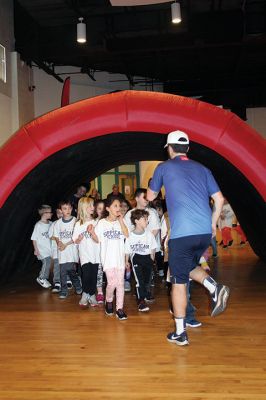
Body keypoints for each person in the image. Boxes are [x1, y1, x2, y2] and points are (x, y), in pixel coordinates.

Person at [147, 130, 229, 346]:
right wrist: (212, 223)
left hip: (182, 234)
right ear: (188, 148)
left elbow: (150, 196)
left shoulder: (163, 167)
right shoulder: (203, 169)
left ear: (169, 148)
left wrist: (156, 187)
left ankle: (180, 333)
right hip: (204, 233)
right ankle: (213, 287)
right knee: (189, 266)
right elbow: (219, 199)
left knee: (178, 282)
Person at [89, 196, 129, 321]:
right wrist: (92, 233)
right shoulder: (102, 223)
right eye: (115, 206)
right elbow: (97, 240)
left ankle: (120, 308)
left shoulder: (121, 222)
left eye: (120, 206)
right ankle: (109, 301)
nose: (119, 208)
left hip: (119, 259)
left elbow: (127, 235)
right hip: (108, 260)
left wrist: (121, 221)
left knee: (121, 283)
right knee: (112, 283)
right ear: (108, 208)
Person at [124, 188, 160, 301]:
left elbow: (155, 229)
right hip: (136, 249)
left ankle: (146, 292)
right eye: (144, 197)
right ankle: (141, 292)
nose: (146, 199)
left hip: (148, 248)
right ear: (137, 198)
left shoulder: (152, 212)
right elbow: (126, 231)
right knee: (138, 274)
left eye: (147, 197)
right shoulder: (130, 214)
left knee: (148, 275)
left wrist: (146, 240)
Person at [125, 209, 157, 312]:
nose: (147, 221)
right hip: (137, 258)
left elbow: (153, 247)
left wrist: (152, 258)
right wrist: (126, 261)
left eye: (147, 219)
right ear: (136, 221)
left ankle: (146, 294)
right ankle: (141, 301)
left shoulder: (149, 234)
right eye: (145, 219)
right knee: (139, 281)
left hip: (147, 258)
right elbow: (127, 249)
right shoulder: (130, 235)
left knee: (147, 280)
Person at [72, 197, 100, 307]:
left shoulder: (96, 222)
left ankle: (92, 294)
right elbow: (75, 240)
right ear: (83, 208)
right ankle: (85, 294)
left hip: (96, 254)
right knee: (86, 275)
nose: (93, 207)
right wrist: (79, 238)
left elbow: (98, 239)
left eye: (93, 205)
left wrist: (93, 233)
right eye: (90, 206)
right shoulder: (79, 224)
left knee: (93, 275)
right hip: (84, 254)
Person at [53, 200, 82, 299]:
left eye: (69, 208)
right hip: (62, 252)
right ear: (60, 210)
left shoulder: (75, 221)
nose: (67, 210)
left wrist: (66, 244)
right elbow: (56, 236)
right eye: (65, 208)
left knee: (70, 270)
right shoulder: (58, 223)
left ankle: (77, 284)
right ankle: (64, 290)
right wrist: (59, 243)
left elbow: (76, 237)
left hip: (72, 251)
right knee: (62, 272)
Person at [31, 205, 53, 289]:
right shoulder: (38, 225)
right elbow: (34, 238)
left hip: (49, 249)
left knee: (49, 264)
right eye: (50, 212)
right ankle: (41, 278)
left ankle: (45, 278)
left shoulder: (51, 224)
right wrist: (36, 249)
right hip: (42, 250)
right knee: (47, 261)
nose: (51, 214)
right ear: (44, 213)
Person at [93, 200, 105, 303]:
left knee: (110, 273)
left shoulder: (108, 221)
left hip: (108, 252)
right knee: (99, 273)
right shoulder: (94, 222)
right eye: (99, 208)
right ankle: (100, 292)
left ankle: (111, 290)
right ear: (95, 210)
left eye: (103, 208)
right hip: (98, 252)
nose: (101, 210)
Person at [120, 199, 132, 292]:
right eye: (121, 205)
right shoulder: (115, 218)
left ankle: (127, 280)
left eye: (125, 206)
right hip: (118, 243)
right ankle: (120, 281)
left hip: (127, 242)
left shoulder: (129, 218)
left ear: (128, 208)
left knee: (127, 262)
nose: (123, 208)